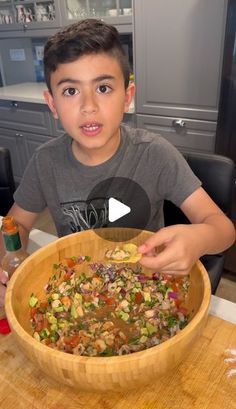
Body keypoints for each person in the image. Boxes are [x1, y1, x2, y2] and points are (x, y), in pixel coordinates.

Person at [0, 19, 235, 308]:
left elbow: (223, 229)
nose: (89, 106)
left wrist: (199, 238)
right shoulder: (45, 161)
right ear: (52, 104)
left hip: (147, 291)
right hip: (79, 291)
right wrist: (6, 260)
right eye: (71, 91)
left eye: (103, 88)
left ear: (127, 96)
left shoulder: (155, 154)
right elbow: (17, 224)